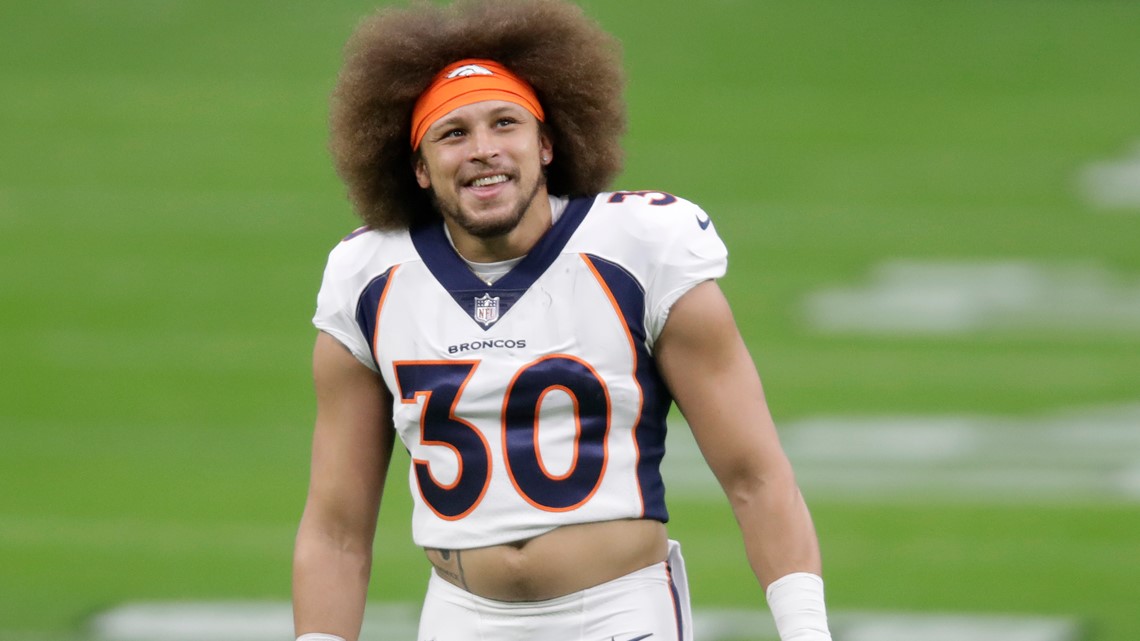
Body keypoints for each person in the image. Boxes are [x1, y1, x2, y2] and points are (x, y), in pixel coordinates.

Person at [292, 1, 834, 640]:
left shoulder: (639, 247)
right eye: (452, 133)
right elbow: (335, 529)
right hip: (462, 619)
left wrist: (806, 632)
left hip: (619, 612)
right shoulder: (370, 277)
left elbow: (757, 476)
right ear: (417, 168)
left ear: (546, 143)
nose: (483, 150)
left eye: (504, 123)